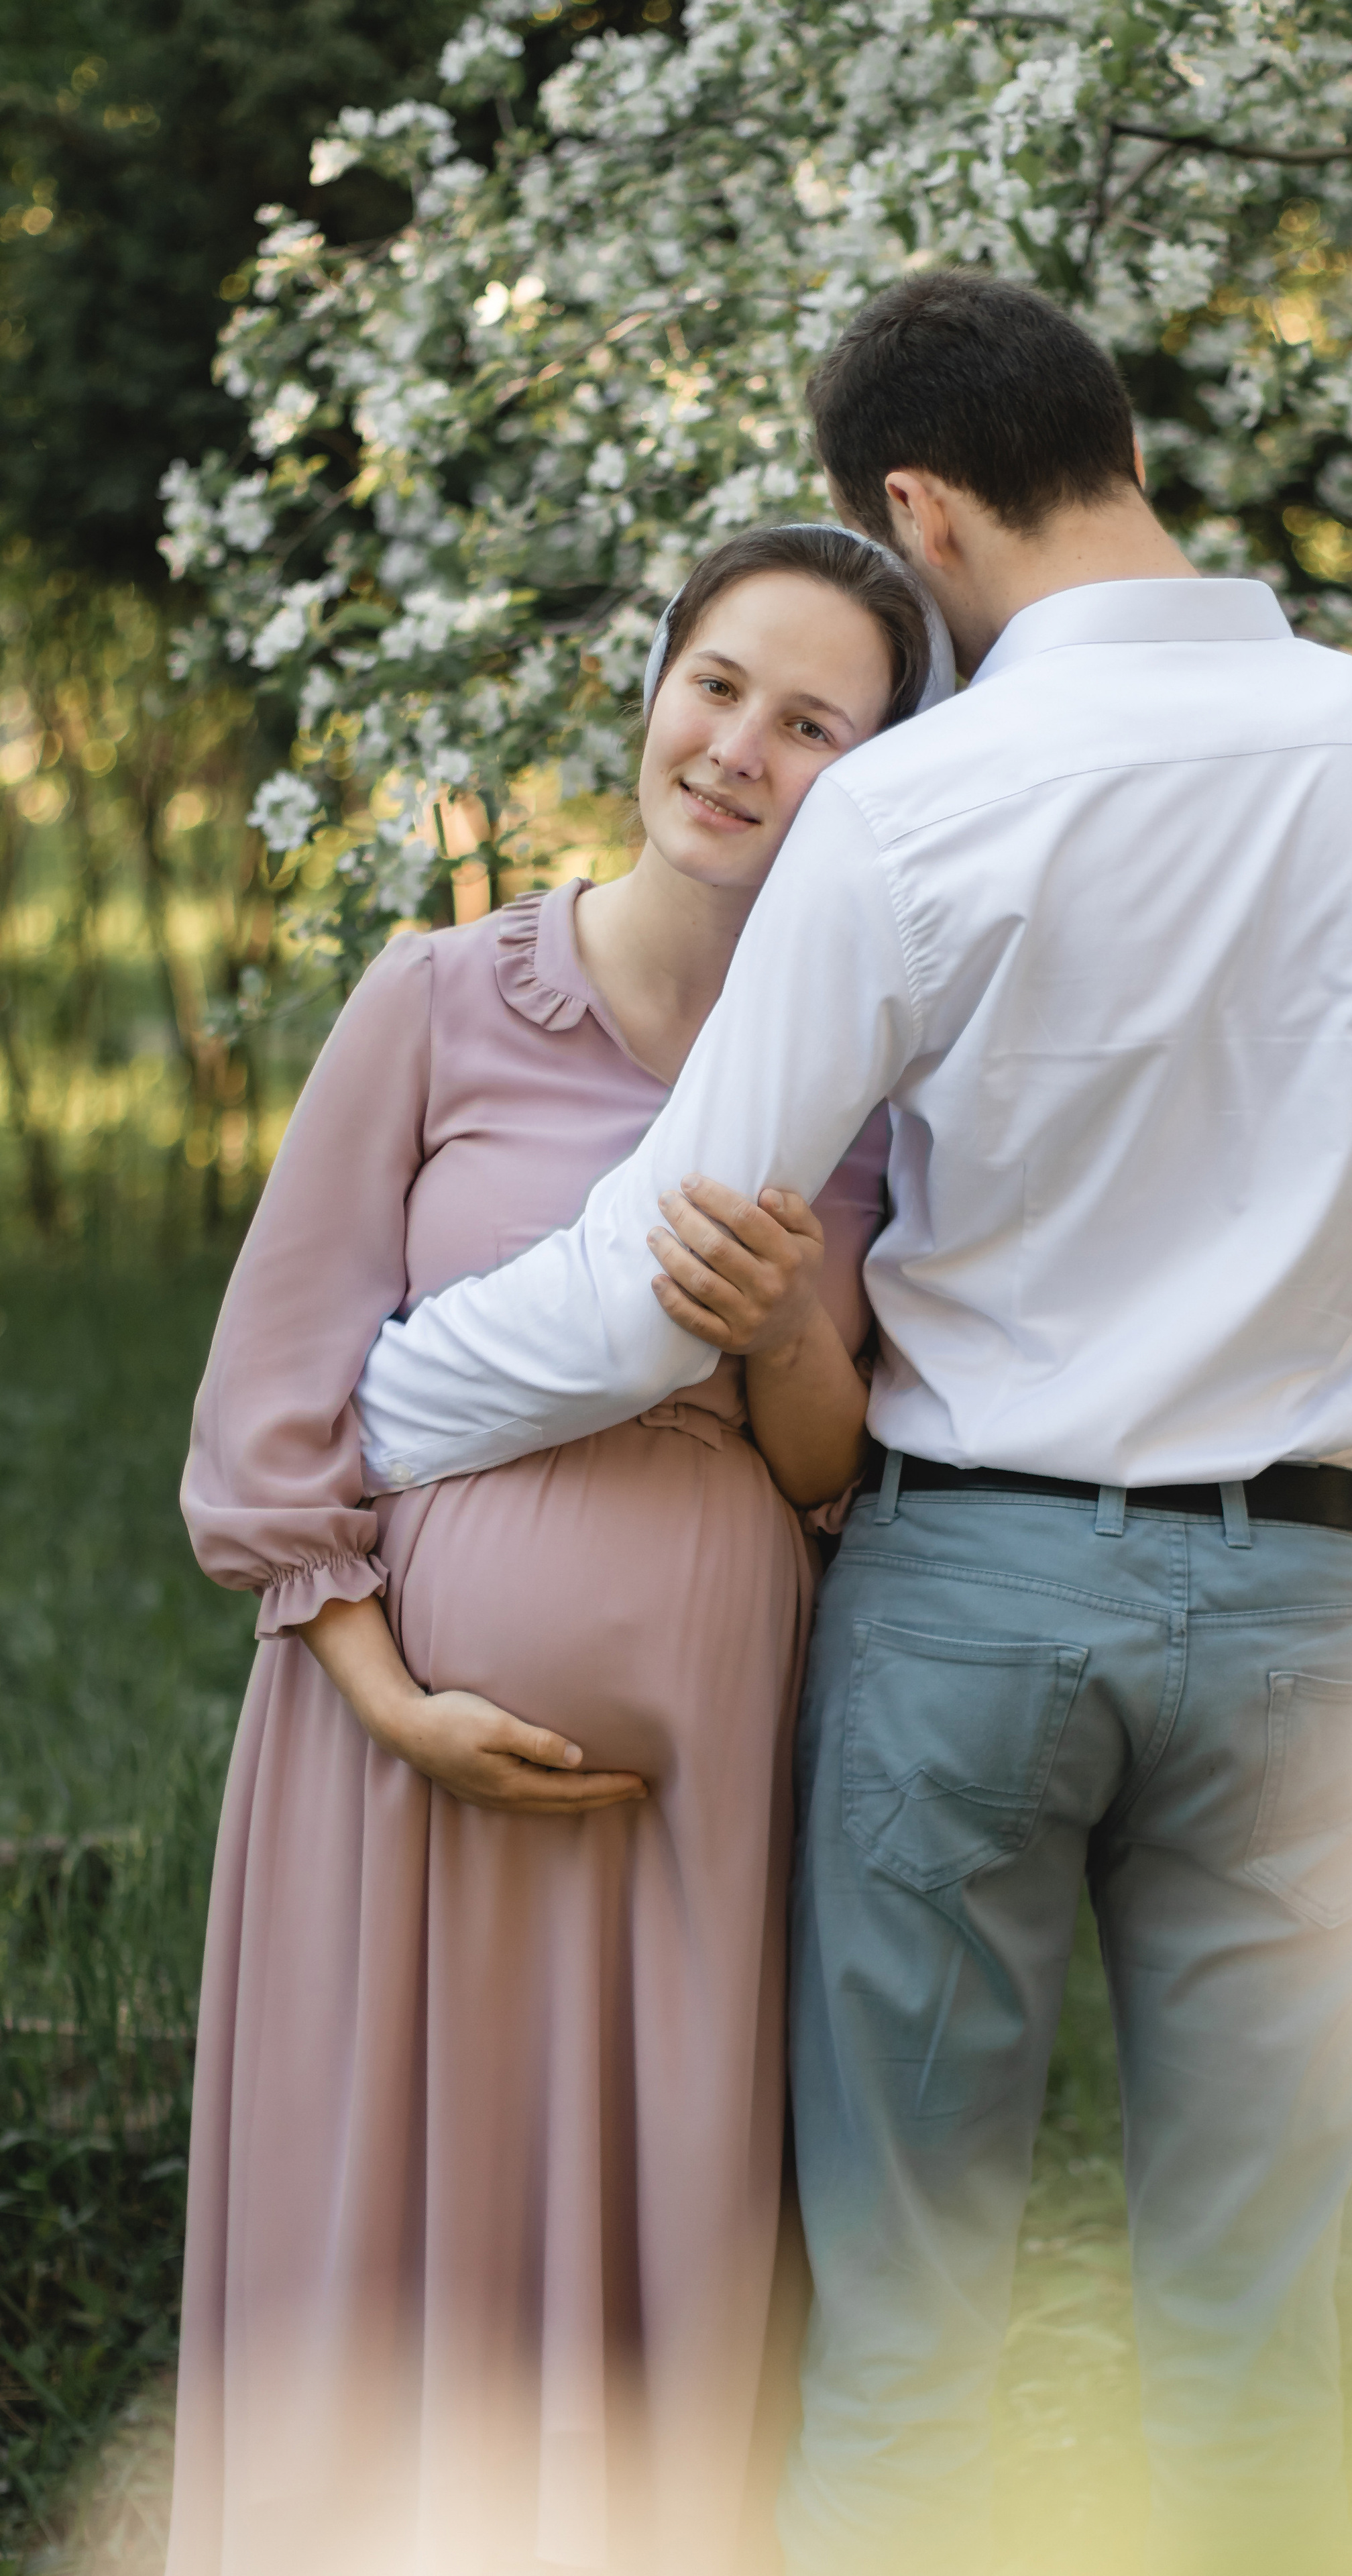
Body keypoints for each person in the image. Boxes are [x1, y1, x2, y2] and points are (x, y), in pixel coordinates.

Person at [352, 273, 1352, 2575]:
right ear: (1117, 444)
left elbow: (667, 1274)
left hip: (971, 1606)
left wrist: (379, 1396)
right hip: (1296, 1609)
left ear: (917, 513)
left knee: (906, 2333)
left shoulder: (918, 801)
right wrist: (1295, 1339)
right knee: (1254, 2330)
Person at [168, 523, 948, 2576]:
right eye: (719, 685)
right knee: (384, 2251)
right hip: (390, 1767)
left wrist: (783, 1329)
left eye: (813, 725)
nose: (740, 751)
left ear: (871, 781)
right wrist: (394, 1704)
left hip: (693, 1787)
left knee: (651, 2255)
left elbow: (827, 1472)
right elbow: (270, 1408)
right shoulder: (441, 1001)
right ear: (653, 687)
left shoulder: (868, 1094)